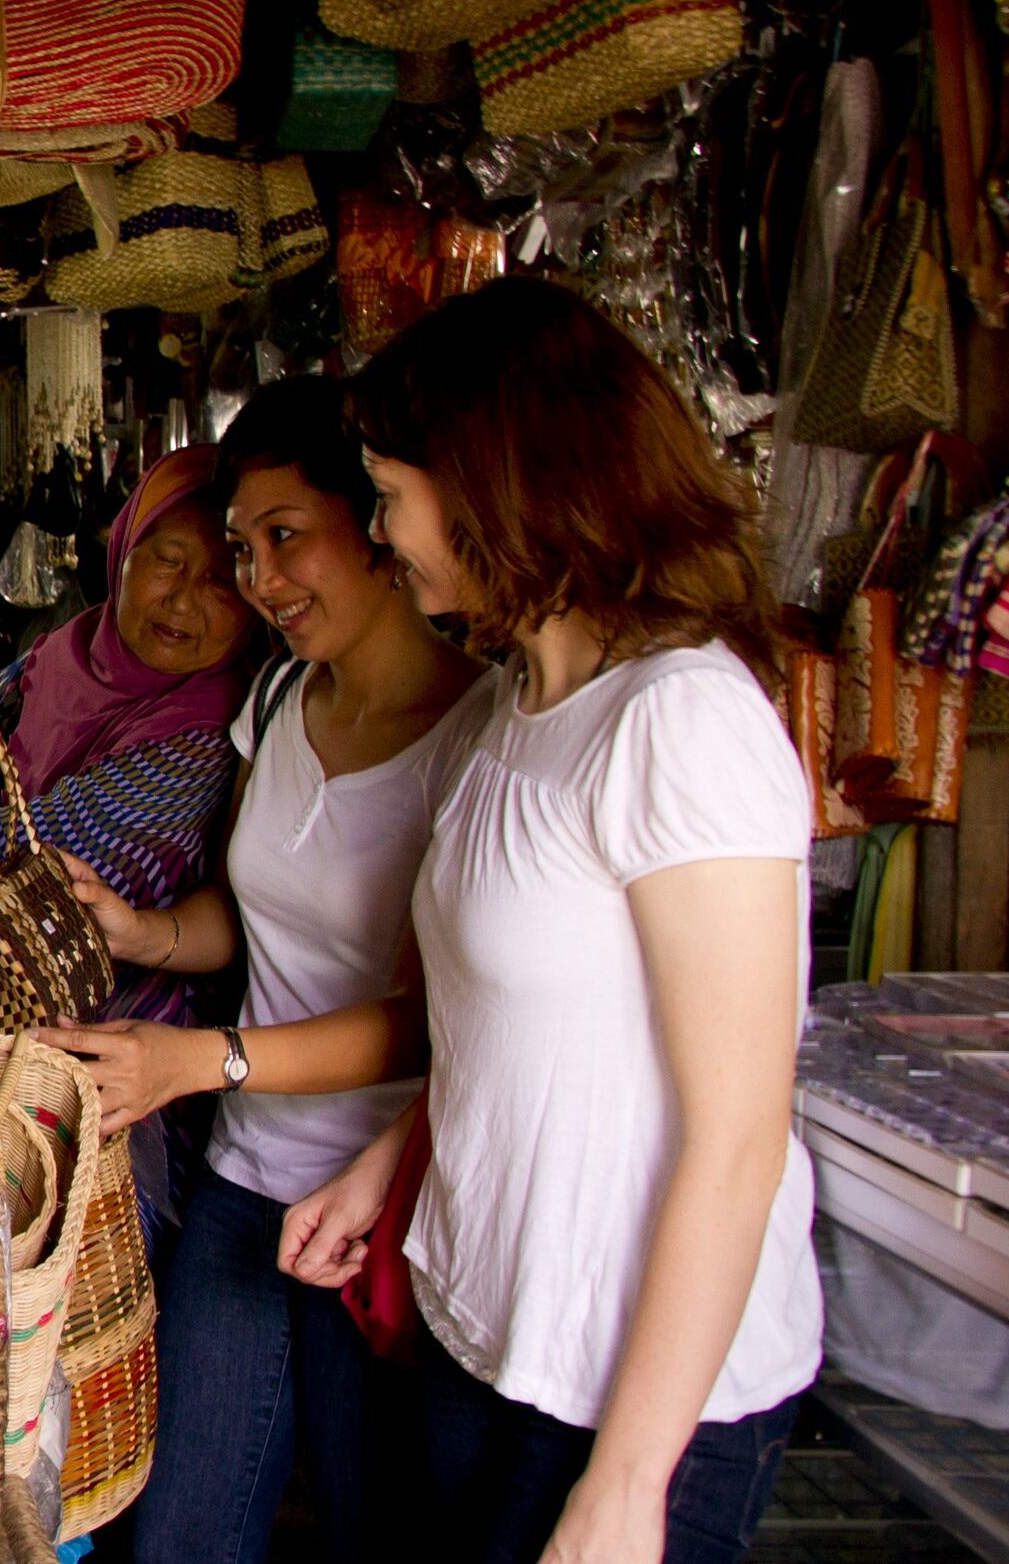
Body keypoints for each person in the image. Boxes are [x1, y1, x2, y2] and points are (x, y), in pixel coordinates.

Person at [282, 277, 817, 1564]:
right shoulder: (509, 706)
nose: (383, 529)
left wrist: (628, 1485)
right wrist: (396, 1155)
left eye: (391, 492)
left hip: (630, 1399)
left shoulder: (679, 724)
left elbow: (738, 1136)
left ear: (491, 485)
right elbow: (528, 1018)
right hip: (487, 1333)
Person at [34, 378, 496, 1564]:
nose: (259, 582)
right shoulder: (279, 702)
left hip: (385, 1206)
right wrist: (143, 934)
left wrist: (207, 1058)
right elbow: (241, 921)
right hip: (245, 1185)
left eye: (285, 538)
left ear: (378, 529)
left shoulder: (479, 738)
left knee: (367, 1530)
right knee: (182, 1534)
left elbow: (441, 1022)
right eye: (242, 549)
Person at [0, 441, 256, 1237]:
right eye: (165, 561)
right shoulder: (54, 656)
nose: (182, 601)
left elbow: (35, 875)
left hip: (112, 1080)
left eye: (219, 579)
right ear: (123, 554)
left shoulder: (210, 733)